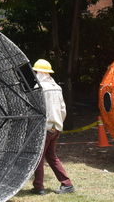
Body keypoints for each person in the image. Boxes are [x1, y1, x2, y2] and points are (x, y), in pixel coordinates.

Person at [31, 59, 75, 195]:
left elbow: (35, 110)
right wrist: (58, 124)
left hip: (45, 128)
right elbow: (63, 109)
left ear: (39, 72)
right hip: (56, 127)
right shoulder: (57, 87)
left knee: (39, 157)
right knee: (51, 156)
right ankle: (67, 184)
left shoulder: (39, 88)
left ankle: (39, 187)